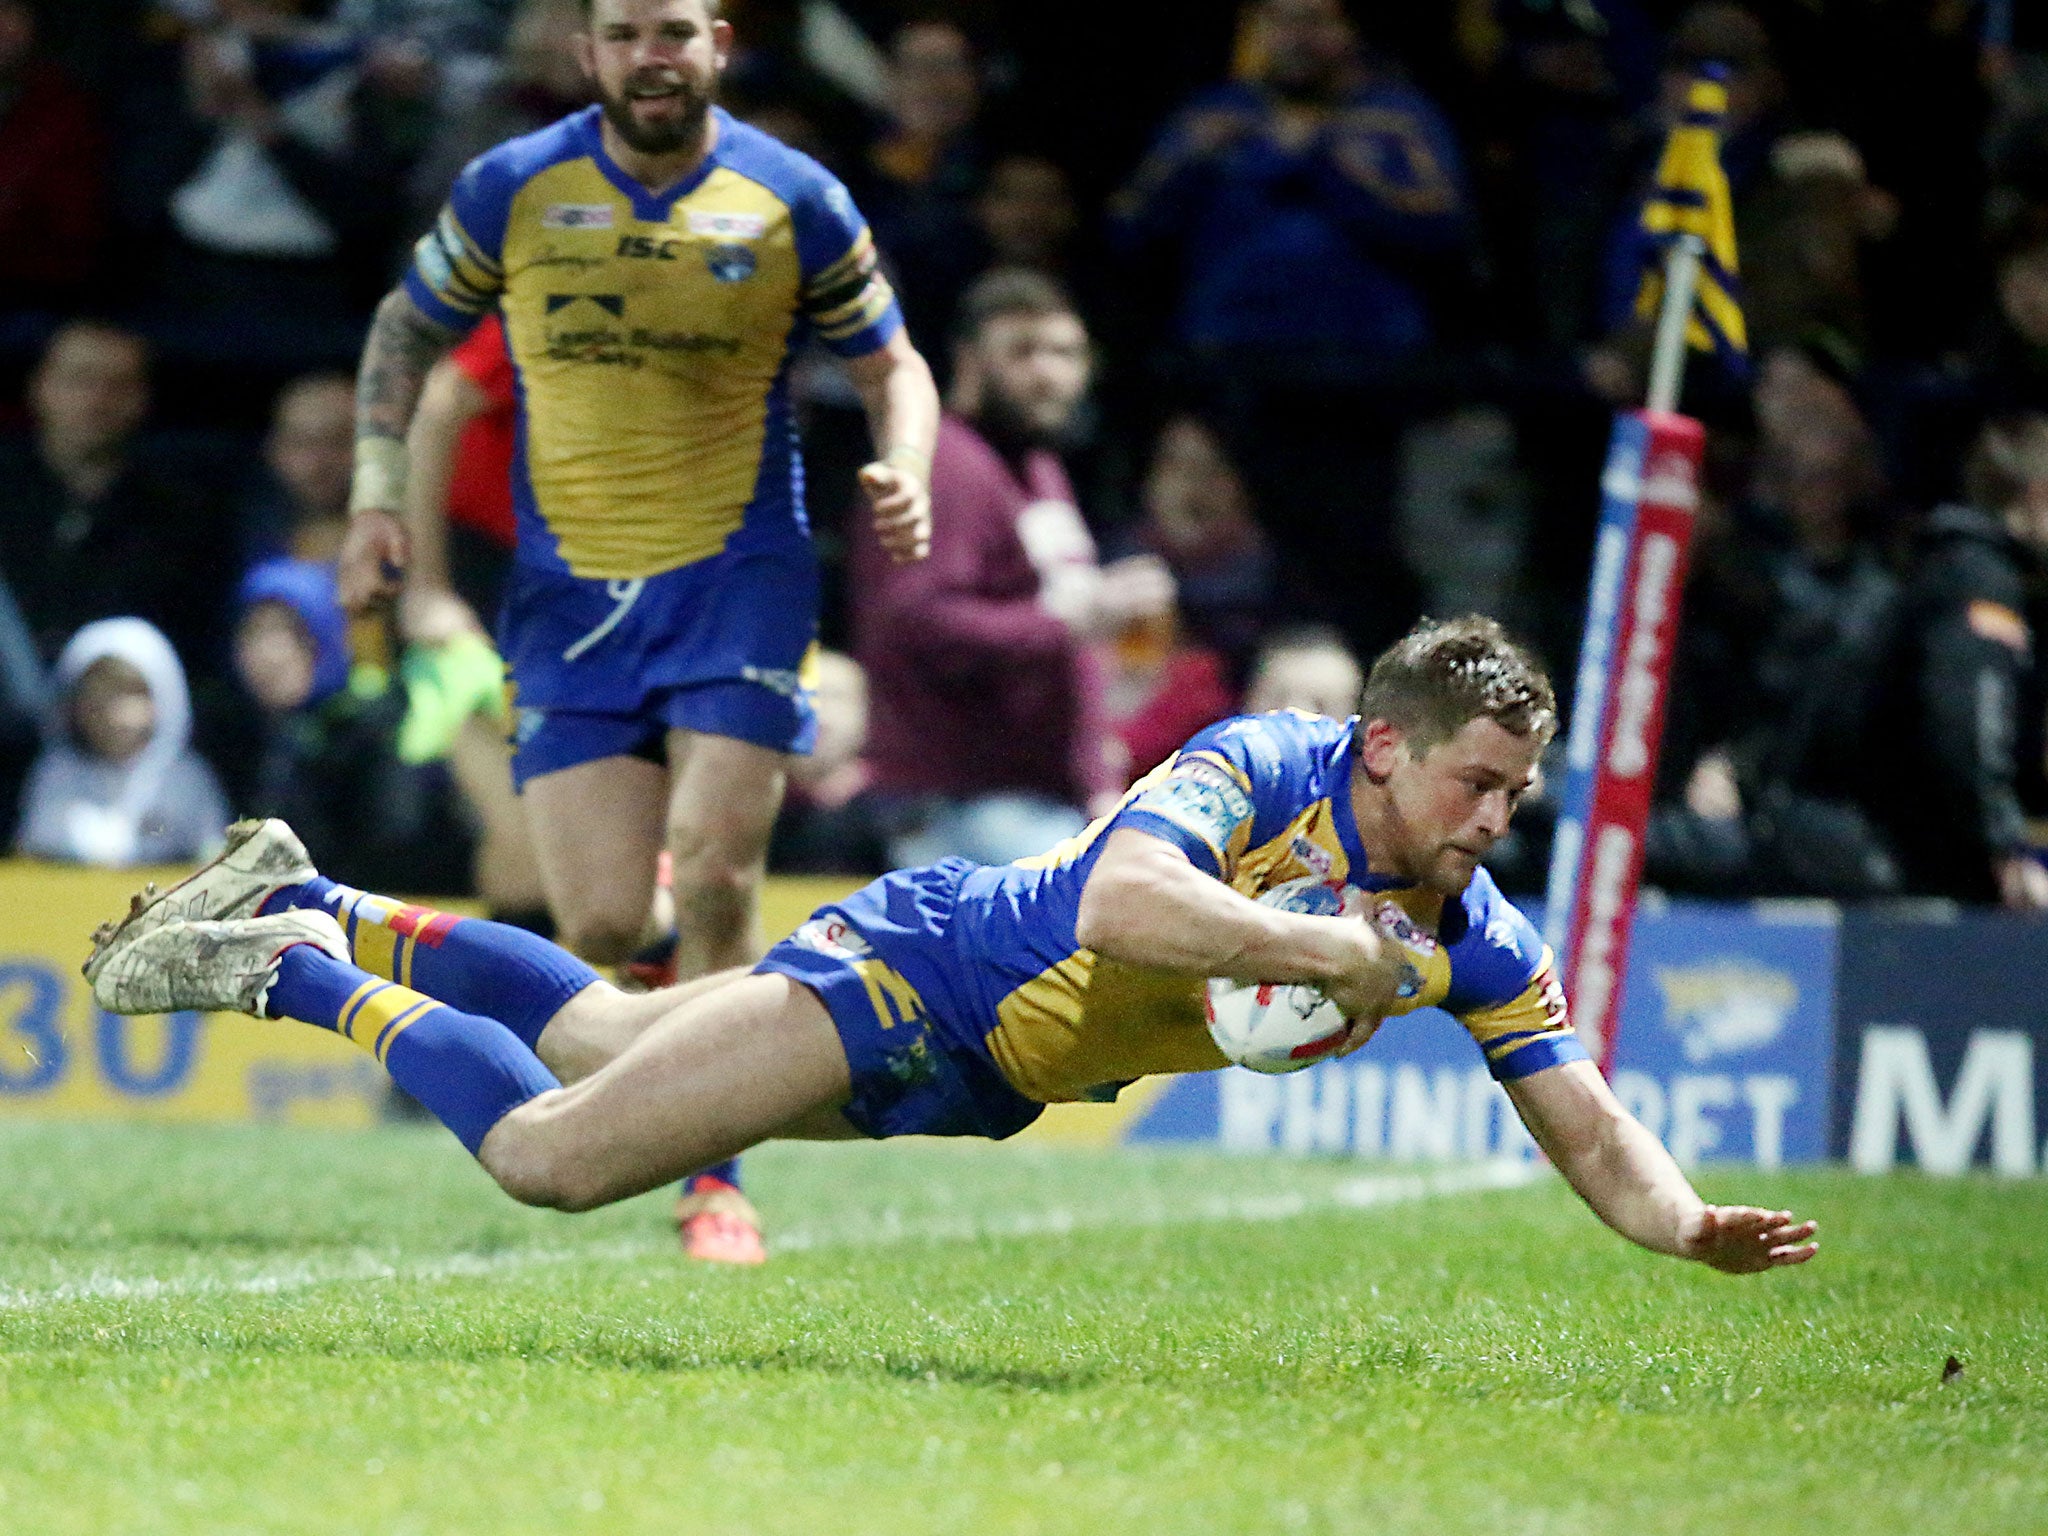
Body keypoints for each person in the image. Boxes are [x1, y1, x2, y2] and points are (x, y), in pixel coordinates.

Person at [85, 615, 1820, 1280]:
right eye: (1474, 784)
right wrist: (1308, 952)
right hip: (926, 971)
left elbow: (1580, 1111)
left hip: (989, 1082)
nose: (1493, 820)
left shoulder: (1468, 929)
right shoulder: (1268, 762)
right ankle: (278, 967)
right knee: (551, 1159)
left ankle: (314, 899)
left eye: (1515, 796)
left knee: (609, 1046)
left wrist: (1680, 1225)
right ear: (1381, 746)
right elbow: (1120, 907)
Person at [336, 0, 940, 1263]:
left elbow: (891, 363)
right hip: (568, 603)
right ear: (587, 54)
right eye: (621, 35)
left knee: (717, 872)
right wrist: (375, 502)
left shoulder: (793, 196)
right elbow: (409, 332)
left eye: (672, 31)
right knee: (603, 927)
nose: (648, 57)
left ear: (719, 41)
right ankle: (655, 962)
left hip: (738, 580)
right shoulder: (516, 185)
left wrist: (909, 466)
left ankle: (712, 1178)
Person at [848, 268, 1173, 867]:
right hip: (966, 800)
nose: (1050, 372)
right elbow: (911, 621)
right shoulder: (948, 464)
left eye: (1066, 352)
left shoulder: (1037, 467)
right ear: (969, 359)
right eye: (1023, 352)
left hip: (1036, 798)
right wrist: (1077, 620)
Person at [0, 321, 226, 676]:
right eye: (80, 378)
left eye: (118, 386)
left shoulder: (183, 516)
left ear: (143, 399)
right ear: (40, 386)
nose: (97, 400)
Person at [17, 617, 229, 868]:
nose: (114, 713)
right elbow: (31, 859)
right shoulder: (56, 774)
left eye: (130, 693)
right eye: (99, 696)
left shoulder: (188, 780)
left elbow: (216, 864)